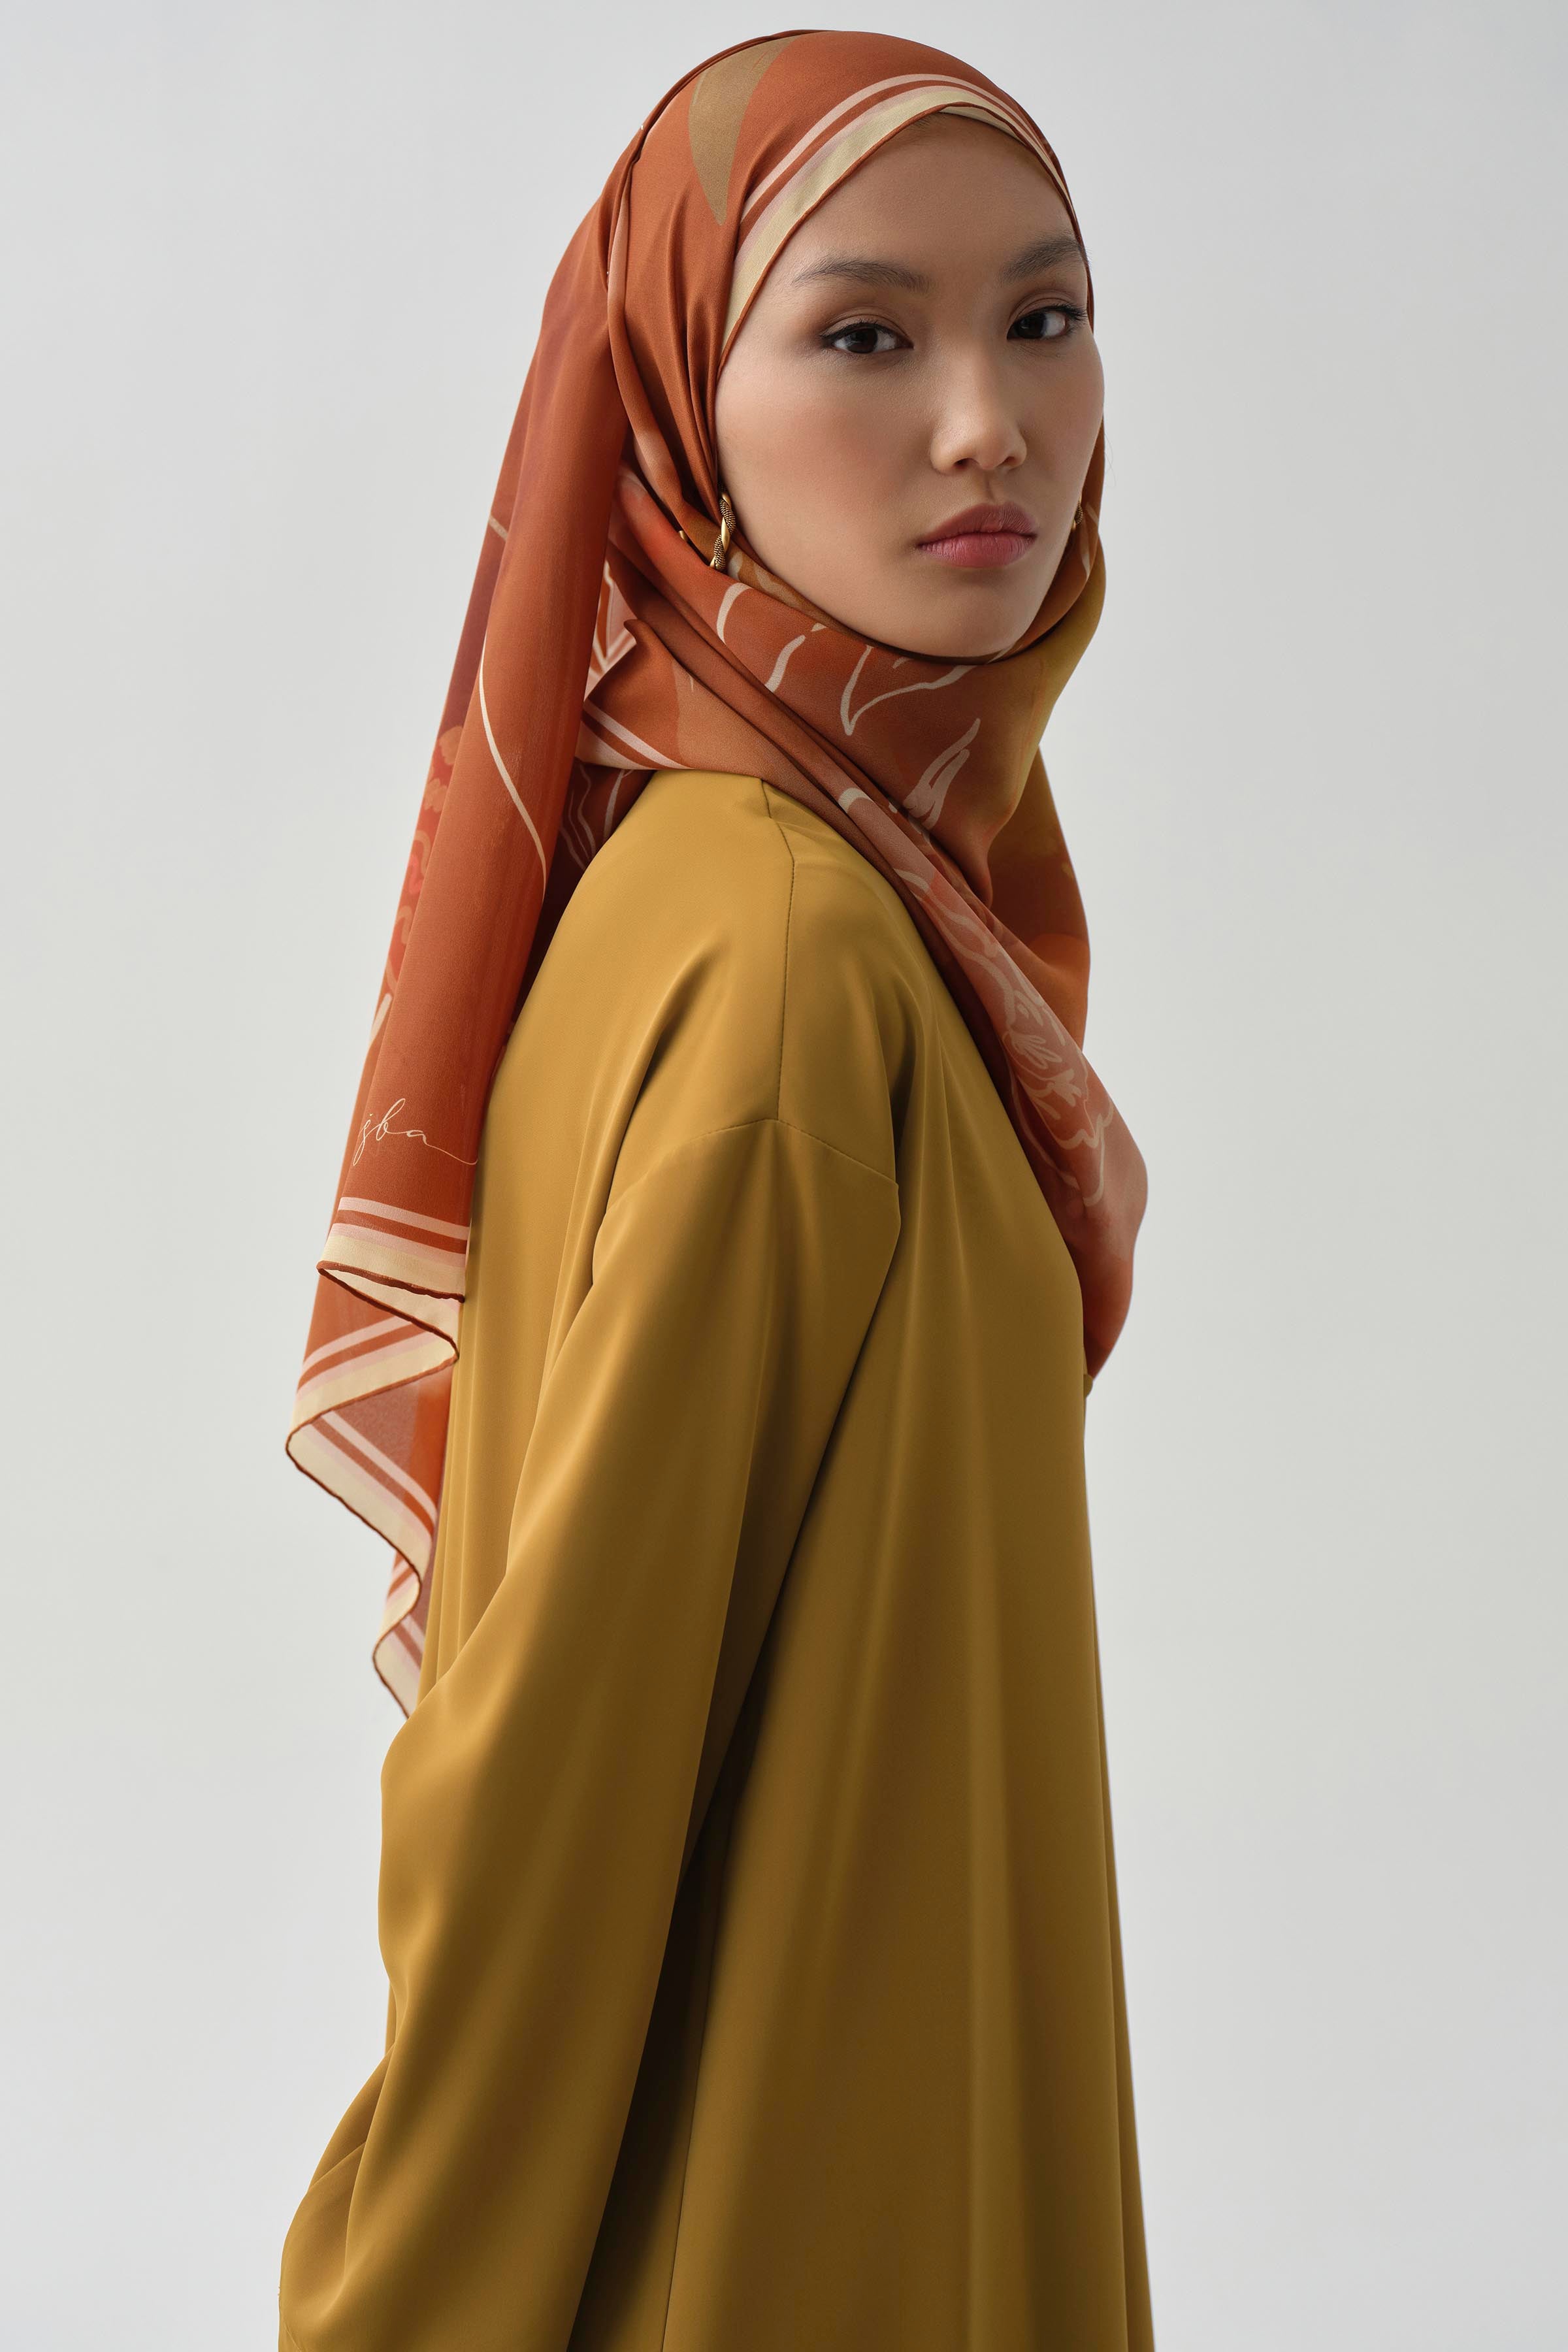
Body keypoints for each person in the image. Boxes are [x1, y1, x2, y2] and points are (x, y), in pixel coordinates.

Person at [280, 29, 1152, 2352]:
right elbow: (551, 1782)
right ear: (679, 409)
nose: (989, 424)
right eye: (865, 336)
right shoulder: (793, 969)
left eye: (1044, 320)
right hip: (790, 2239)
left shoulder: (711, 881)